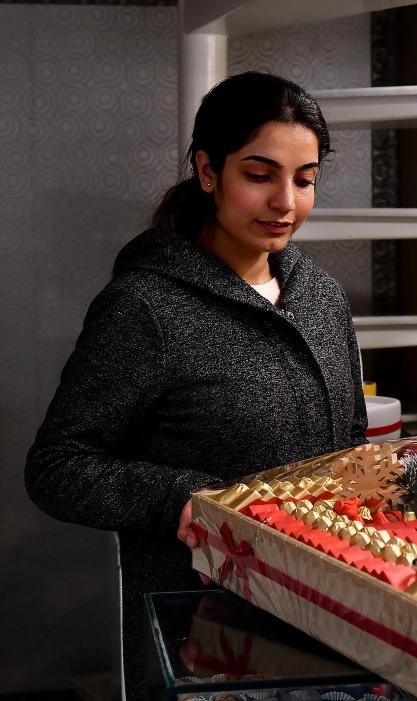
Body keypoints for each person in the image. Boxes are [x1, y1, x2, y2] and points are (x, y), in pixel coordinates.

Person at [24, 71, 368, 700]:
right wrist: (183, 496)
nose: (285, 202)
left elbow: (346, 448)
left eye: (305, 179)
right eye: (259, 175)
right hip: (194, 634)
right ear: (208, 172)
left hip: (322, 623)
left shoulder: (321, 298)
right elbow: (56, 467)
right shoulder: (144, 306)